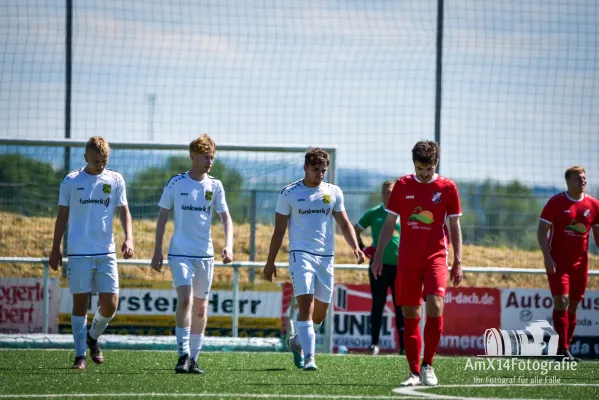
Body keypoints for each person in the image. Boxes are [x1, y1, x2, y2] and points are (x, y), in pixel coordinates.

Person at [263, 148, 365, 371]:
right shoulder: (289, 193)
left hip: (326, 257)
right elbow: (279, 230)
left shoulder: (333, 192)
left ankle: (298, 341)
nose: (320, 174)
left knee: (321, 311)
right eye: (316, 169)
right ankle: (310, 357)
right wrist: (270, 261)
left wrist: (356, 247)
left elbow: (344, 223)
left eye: (323, 170)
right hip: (300, 255)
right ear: (305, 168)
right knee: (306, 305)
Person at [372, 140, 462, 387]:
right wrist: (378, 255)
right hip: (407, 259)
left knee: (435, 304)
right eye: (420, 169)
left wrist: (459, 261)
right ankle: (413, 372)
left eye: (429, 169)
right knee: (410, 313)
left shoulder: (448, 188)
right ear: (414, 164)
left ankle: (428, 365)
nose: (424, 174)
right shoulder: (402, 185)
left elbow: (455, 225)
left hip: (436, 257)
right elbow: (389, 223)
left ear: (436, 164)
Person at [151, 134, 233, 374]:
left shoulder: (215, 185)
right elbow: (162, 217)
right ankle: (182, 354)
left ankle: (194, 359)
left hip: (205, 256)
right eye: (206, 157)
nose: (209, 162)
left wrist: (229, 245)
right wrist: (157, 250)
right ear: (193, 156)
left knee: (200, 307)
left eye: (212, 158)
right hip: (180, 254)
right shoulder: (176, 183)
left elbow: (225, 218)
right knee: (185, 299)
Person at [49, 136, 134, 370]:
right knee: (80, 303)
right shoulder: (71, 181)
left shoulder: (115, 180)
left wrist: (129, 237)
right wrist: (55, 248)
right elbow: (62, 216)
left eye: (104, 161)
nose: (100, 165)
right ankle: (80, 356)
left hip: (106, 252)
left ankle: (92, 336)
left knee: (110, 304)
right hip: (78, 253)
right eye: (96, 161)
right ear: (86, 157)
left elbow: (124, 211)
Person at [537, 165, 599, 362]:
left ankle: (566, 348)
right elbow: (541, 231)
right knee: (561, 301)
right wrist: (547, 258)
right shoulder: (556, 202)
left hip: (581, 264)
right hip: (558, 263)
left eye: (584, 178)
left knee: (573, 306)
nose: (582, 181)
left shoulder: (593, 205)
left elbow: (597, 235)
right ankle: (561, 350)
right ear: (568, 181)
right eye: (578, 178)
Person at [354, 181, 404, 355]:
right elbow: (355, 229)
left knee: (401, 307)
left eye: (390, 192)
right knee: (378, 305)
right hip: (379, 266)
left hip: (401, 268)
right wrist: (362, 248)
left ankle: (404, 347)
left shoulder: (405, 212)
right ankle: (374, 344)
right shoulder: (374, 213)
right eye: (384, 192)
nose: (387, 195)